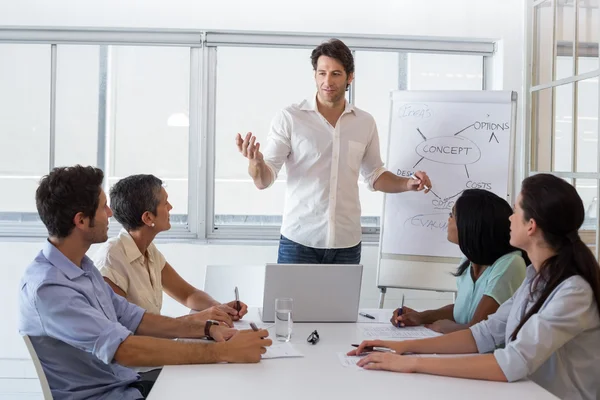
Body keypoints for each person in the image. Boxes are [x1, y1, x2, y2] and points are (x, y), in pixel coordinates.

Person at [19, 166, 271, 400]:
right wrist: (223, 352)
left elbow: (133, 317)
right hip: (105, 394)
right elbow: (124, 349)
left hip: (125, 383)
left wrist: (207, 329)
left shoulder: (82, 267)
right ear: (81, 221)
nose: (110, 214)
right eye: (103, 207)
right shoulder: (49, 289)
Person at [349, 174, 600, 400]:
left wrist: (412, 363)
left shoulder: (572, 292)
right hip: (523, 391)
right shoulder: (536, 278)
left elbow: (511, 363)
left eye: (515, 211)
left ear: (531, 225)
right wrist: (401, 347)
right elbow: (486, 333)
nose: (509, 219)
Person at [235, 38, 432, 264]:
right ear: (315, 75)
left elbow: (375, 175)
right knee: (290, 302)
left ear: (350, 76)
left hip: (346, 244)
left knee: (342, 302)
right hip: (299, 243)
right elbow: (263, 180)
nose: (327, 81)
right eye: (322, 73)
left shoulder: (364, 122)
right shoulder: (290, 118)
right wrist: (256, 163)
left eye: (336, 74)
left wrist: (407, 183)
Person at [93, 174, 246, 327]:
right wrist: (195, 320)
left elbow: (188, 294)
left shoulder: (148, 250)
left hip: (156, 345)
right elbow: (127, 328)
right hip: (141, 348)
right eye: (165, 203)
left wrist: (219, 308)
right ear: (148, 218)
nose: (170, 207)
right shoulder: (112, 259)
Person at [391, 189, 527, 334]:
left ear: (471, 224)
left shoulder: (510, 264)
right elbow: (461, 313)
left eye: (452, 215)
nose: (448, 219)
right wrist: (420, 316)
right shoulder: (469, 261)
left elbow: (479, 330)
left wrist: (451, 329)